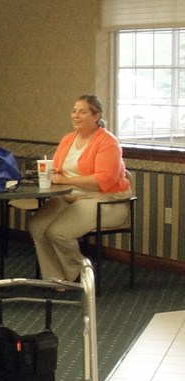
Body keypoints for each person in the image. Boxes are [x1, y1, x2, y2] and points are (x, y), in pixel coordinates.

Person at [29, 94, 132, 282]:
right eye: (74, 111)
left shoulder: (108, 142)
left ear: (96, 116)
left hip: (104, 200)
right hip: (69, 196)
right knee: (37, 226)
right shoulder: (68, 139)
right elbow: (57, 169)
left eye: (82, 112)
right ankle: (55, 278)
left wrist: (65, 179)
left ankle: (80, 271)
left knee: (58, 232)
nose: (75, 115)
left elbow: (103, 180)